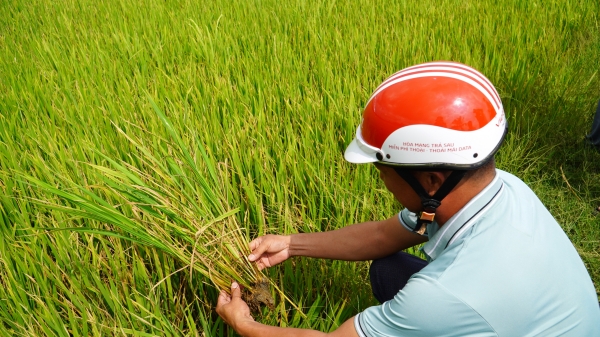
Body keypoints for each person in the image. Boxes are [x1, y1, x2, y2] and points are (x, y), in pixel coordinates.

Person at [216, 61, 600, 336]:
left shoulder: (445, 294)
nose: (381, 182)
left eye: (383, 173)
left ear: (432, 181)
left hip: (485, 305)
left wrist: (244, 324)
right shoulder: (503, 188)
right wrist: (291, 244)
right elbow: (384, 236)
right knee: (386, 268)